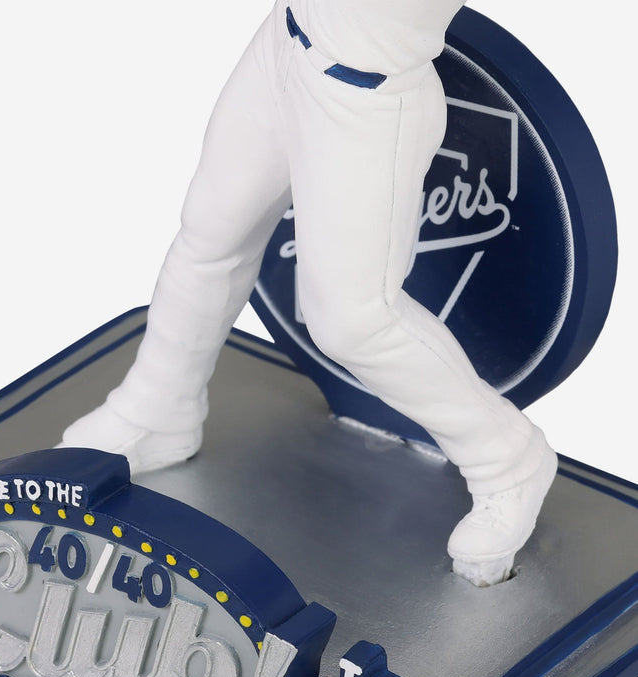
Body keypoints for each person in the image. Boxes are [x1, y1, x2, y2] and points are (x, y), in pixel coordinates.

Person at [61, 1, 557, 586]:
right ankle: (159, 407)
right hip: (287, 37)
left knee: (355, 321)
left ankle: (508, 462)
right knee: (211, 231)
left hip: (366, 93)